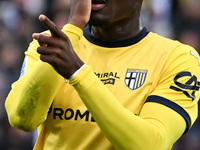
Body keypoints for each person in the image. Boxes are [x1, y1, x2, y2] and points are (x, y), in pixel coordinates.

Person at [5, 0, 200, 149]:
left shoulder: (177, 58)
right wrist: (73, 28)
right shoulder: (51, 43)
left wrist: (78, 73)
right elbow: (21, 119)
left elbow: (149, 144)